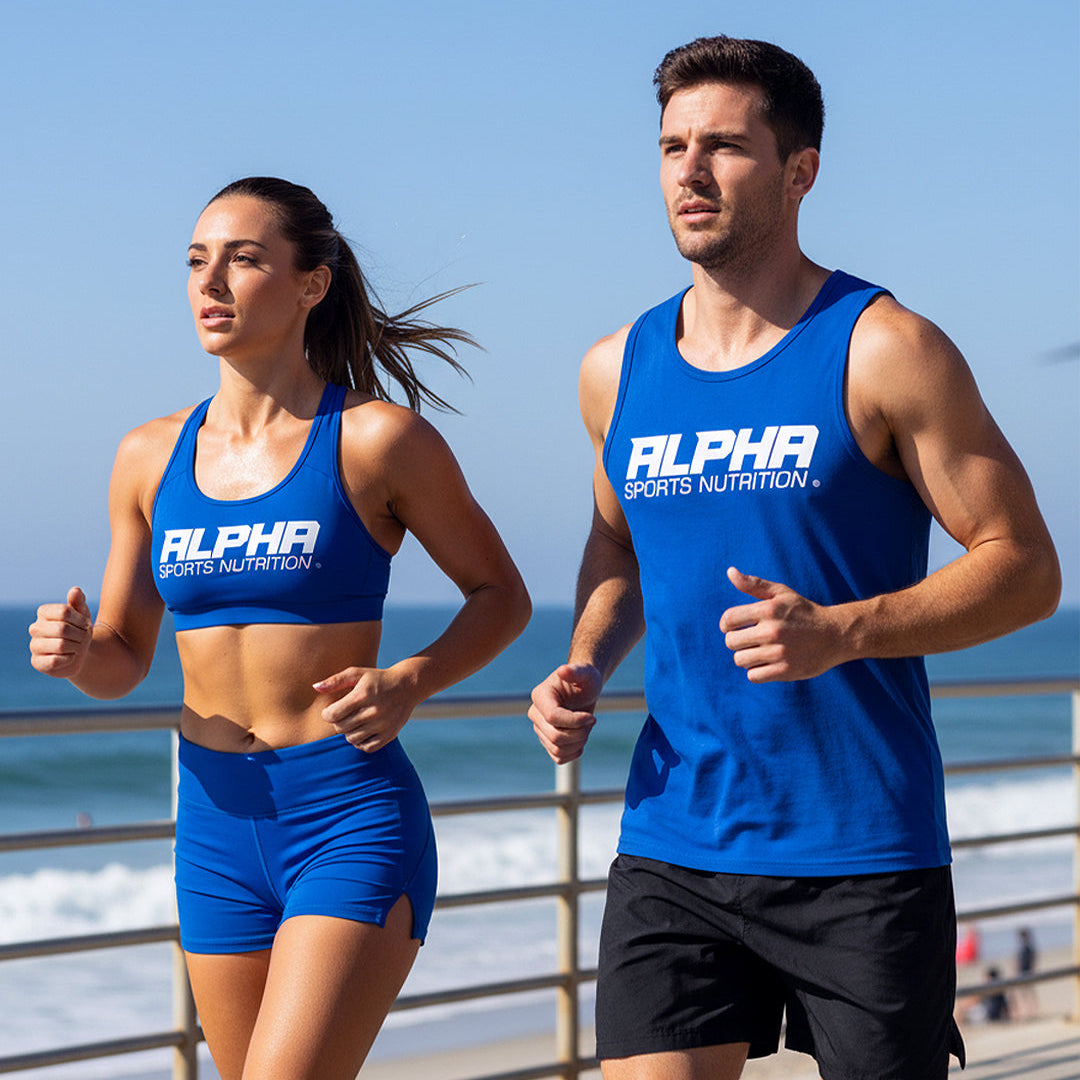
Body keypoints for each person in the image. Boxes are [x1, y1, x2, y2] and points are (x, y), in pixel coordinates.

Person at [529, 35, 1060, 1080]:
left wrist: (843, 630)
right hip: (673, 840)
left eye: (723, 146)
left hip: (858, 850)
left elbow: (1027, 566)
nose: (689, 172)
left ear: (799, 171)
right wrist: (587, 658)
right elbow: (617, 547)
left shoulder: (883, 345)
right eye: (673, 146)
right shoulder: (615, 369)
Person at [29, 176, 531, 1080]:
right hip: (214, 823)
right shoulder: (149, 456)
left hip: (345, 813)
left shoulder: (375, 441)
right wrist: (74, 658)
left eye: (243, 258)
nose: (210, 283)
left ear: (313, 283)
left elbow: (502, 595)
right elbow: (124, 660)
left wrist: (409, 681)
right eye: (195, 261)